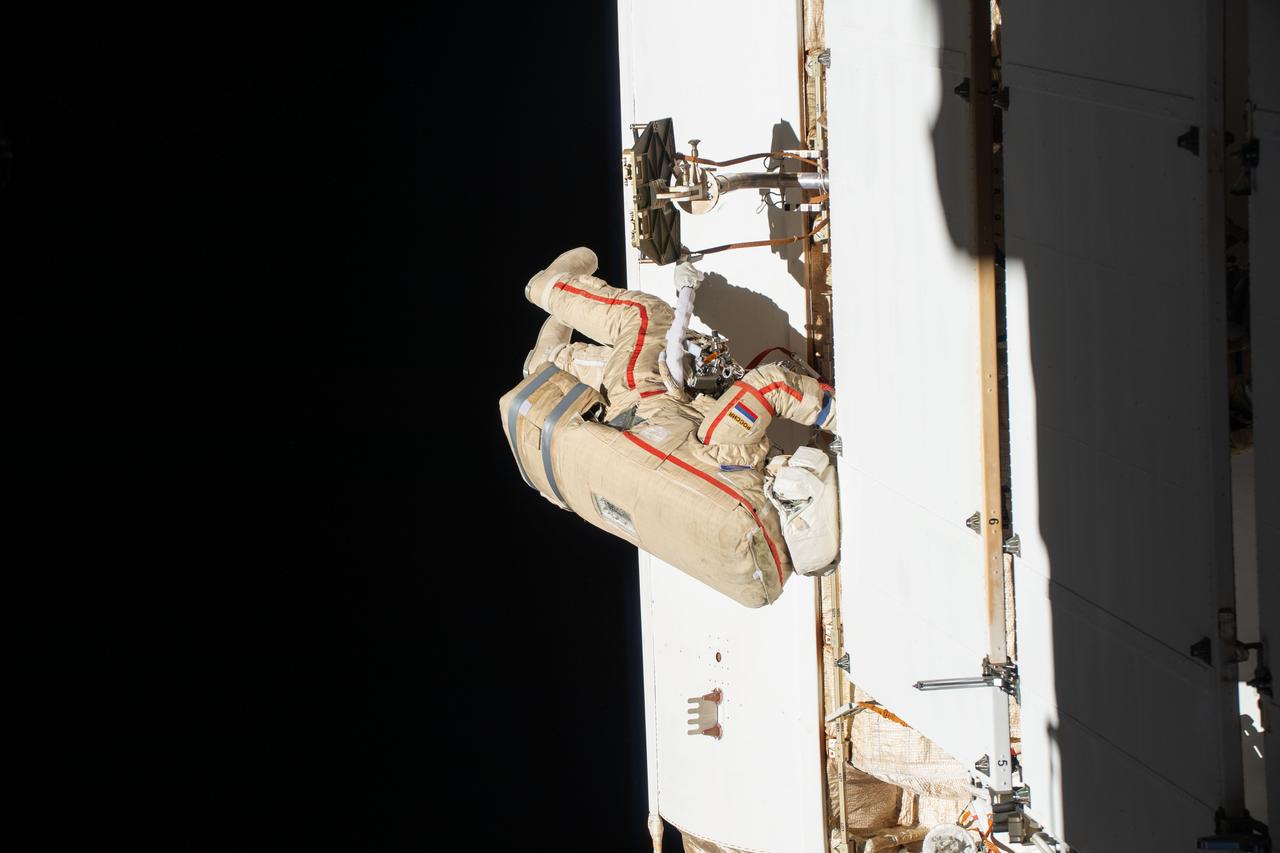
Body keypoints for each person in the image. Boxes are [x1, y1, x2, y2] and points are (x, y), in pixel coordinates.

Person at [501, 248, 838, 607]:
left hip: (645, 414)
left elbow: (769, 386)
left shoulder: (735, 455)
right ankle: (550, 360)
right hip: (625, 447)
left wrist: (834, 414)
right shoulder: (757, 563)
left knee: (647, 319)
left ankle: (548, 289)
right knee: (628, 372)